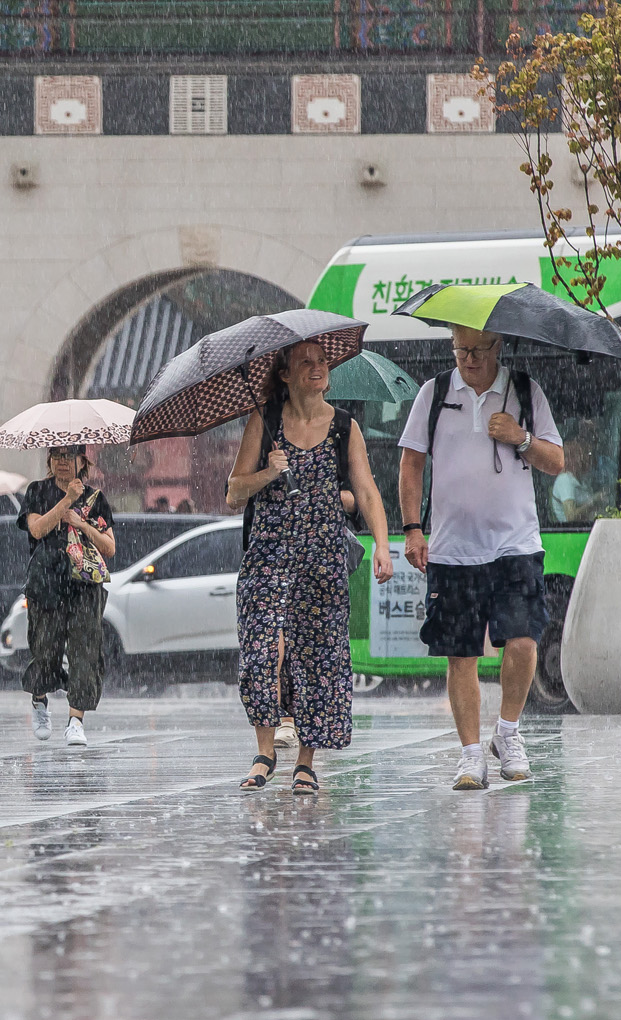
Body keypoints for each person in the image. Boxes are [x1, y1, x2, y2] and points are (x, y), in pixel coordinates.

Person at [397, 326, 563, 790]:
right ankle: (471, 755)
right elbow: (410, 464)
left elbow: (556, 460)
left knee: (525, 640)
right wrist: (412, 529)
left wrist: (521, 437)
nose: (467, 358)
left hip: (517, 543)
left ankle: (507, 733)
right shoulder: (433, 394)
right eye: (459, 349)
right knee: (460, 652)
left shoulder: (526, 391)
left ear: (498, 347)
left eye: (477, 350)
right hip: (454, 549)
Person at [224, 342, 394, 795]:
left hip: (321, 559)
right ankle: (265, 751)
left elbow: (367, 491)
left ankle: (305, 761)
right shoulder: (264, 422)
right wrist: (269, 472)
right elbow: (233, 492)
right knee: (261, 652)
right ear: (285, 374)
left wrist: (382, 544)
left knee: (317, 659)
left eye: (322, 362)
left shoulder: (344, 427)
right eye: (306, 363)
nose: (318, 369)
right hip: (268, 555)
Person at [19, 445, 117, 747]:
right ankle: (39, 700)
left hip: (84, 584)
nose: (63, 462)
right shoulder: (37, 491)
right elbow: (37, 529)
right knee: (45, 648)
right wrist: (68, 501)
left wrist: (82, 523)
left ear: (82, 461)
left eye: (69, 456)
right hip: (46, 581)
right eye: (57, 455)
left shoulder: (97, 500)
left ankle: (76, 720)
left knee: (85, 649)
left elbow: (109, 548)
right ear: (49, 460)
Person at [549, 419, 601, 524]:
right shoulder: (565, 480)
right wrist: (594, 501)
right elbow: (571, 517)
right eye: (582, 455)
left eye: (588, 454)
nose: (587, 458)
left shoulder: (583, 479)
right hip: (571, 533)